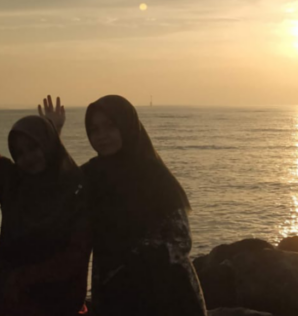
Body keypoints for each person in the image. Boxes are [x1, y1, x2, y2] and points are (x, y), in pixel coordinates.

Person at [0, 55, 91, 316]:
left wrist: (24, 277)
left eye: (34, 147)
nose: (27, 158)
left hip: (61, 305)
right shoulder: (12, 183)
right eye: (19, 153)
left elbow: (75, 254)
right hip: (13, 305)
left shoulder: (75, 186)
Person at [81, 94, 207, 316]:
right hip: (113, 293)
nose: (102, 136)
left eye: (110, 126)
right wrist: (54, 133)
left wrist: (132, 263)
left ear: (127, 126)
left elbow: (180, 240)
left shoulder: (153, 174)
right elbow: (56, 192)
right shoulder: (91, 175)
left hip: (165, 295)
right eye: (94, 129)